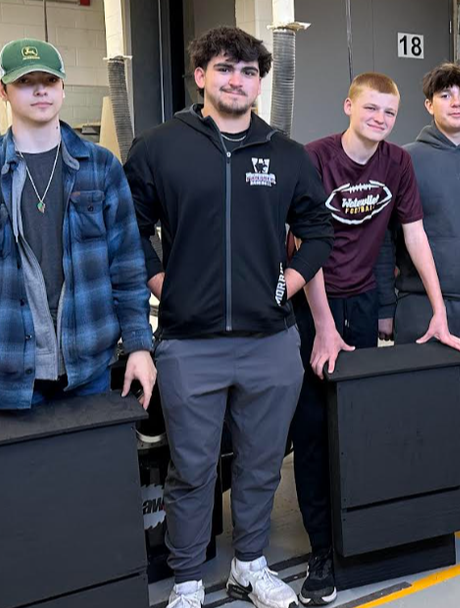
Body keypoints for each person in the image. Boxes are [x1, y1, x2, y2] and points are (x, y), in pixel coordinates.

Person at [126, 26, 333, 608]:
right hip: (189, 343)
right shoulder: (160, 147)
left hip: (270, 342)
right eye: (225, 69)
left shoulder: (286, 155)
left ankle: (250, 564)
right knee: (191, 471)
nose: (236, 81)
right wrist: (161, 280)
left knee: (262, 465)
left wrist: (287, 283)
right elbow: (127, 231)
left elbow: (318, 231)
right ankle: (188, 582)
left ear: (259, 83)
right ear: (201, 77)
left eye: (247, 72)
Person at [0, 37, 156, 445]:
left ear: (63, 86)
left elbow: (127, 268)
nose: (40, 90)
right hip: (2, 376)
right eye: (25, 81)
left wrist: (139, 345)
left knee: (82, 492)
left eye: (48, 79)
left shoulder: (101, 168)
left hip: (87, 369)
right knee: (13, 499)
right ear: (3, 90)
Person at [293, 71, 460, 605]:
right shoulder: (314, 158)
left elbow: (414, 234)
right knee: (316, 425)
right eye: (371, 109)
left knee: (357, 422)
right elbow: (304, 242)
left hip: (363, 303)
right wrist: (322, 326)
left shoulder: (397, 163)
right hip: (311, 301)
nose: (380, 119)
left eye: (389, 113)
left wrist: (440, 310)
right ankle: (321, 548)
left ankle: (359, 533)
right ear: (348, 105)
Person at [382, 63, 460, 534]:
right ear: (429, 104)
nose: (455, 101)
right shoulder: (404, 159)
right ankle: (428, 491)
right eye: (445, 94)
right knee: (423, 404)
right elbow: (383, 236)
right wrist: (384, 306)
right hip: (418, 302)